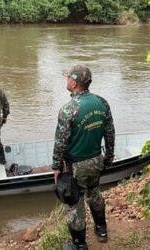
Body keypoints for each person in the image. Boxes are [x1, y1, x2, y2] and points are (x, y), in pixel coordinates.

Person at [52, 64, 115, 250]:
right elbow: (110, 132)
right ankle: (101, 229)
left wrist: (56, 166)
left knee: (74, 204)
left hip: (76, 166)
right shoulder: (102, 103)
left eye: (68, 78)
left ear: (74, 82)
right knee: (94, 192)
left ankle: (79, 245)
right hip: (97, 160)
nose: (66, 80)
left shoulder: (68, 109)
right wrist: (109, 157)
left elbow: (61, 143)